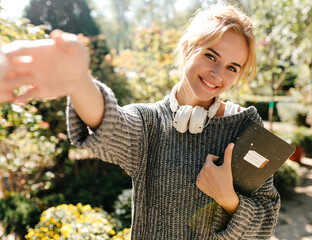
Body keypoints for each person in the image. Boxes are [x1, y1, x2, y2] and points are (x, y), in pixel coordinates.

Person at [1, 4, 280, 239]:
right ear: (187, 49)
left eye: (233, 67)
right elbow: (110, 125)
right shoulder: (150, 124)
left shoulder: (247, 127)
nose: (218, 74)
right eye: (210, 55)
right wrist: (78, 80)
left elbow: (266, 217)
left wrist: (228, 199)